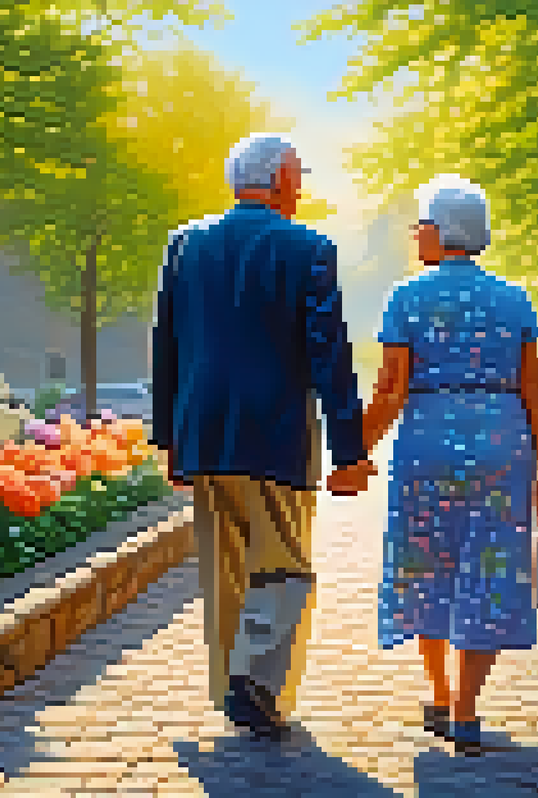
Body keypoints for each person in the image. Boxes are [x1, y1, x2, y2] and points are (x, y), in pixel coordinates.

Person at [151, 134, 379, 741]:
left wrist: (168, 438)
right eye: (298, 174)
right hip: (274, 432)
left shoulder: (184, 243)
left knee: (224, 570)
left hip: (202, 432)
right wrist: (350, 451)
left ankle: (234, 681)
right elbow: (328, 353)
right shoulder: (308, 248)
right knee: (282, 565)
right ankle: (255, 684)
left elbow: (166, 343)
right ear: (278, 178)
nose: (301, 186)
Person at [359, 175, 538, 756]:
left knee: (428, 562)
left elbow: (391, 386)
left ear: (441, 230)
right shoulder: (514, 299)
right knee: (490, 567)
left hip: (427, 442)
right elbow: (534, 391)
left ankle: (442, 695)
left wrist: (357, 453)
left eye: (420, 223)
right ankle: (468, 710)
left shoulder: (406, 298)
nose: (414, 233)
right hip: (503, 444)